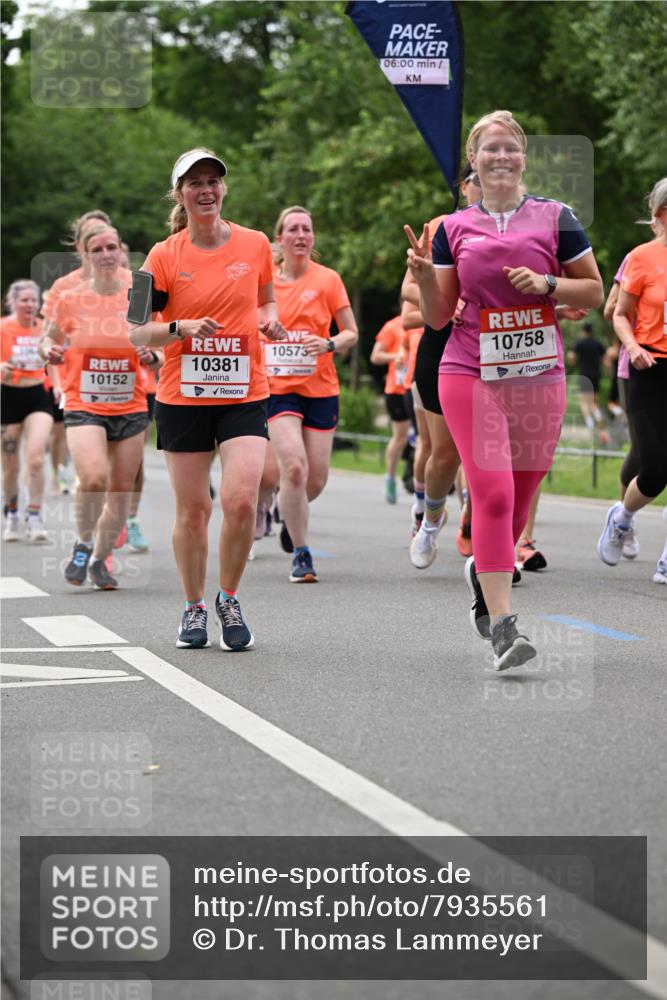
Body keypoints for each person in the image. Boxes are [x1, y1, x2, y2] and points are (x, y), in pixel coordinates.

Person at [406, 109, 603, 669]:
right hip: (469, 370)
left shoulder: (556, 217)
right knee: (491, 495)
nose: (500, 157)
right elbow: (440, 317)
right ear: (473, 159)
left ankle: (484, 568)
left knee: (519, 493)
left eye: (510, 148)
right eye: (489, 149)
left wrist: (547, 284)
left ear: (523, 158)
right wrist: (423, 275)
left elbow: (593, 292)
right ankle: (502, 626)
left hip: (539, 374)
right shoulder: (452, 228)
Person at [129, 148, 286, 648]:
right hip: (182, 396)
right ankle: (194, 606)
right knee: (194, 510)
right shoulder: (161, 254)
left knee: (241, 500)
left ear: (224, 189)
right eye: (194, 182)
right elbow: (135, 331)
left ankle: (229, 596)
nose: (205, 189)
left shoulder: (257, 243)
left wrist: (268, 318)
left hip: (244, 390)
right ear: (180, 194)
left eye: (213, 181)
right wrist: (179, 328)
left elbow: (266, 297)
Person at [40, 224, 155, 590]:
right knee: (93, 479)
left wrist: (154, 354)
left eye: (112, 247)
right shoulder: (71, 297)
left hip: (131, 404)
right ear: (87, 258)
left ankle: (99, 559)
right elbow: (48, 339)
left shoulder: (138, 293)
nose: (106, 254)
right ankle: (83, 543)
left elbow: (160, 340)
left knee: (121, 490)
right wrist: (49, 351)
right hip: (83, 402)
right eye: (97, 249)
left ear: (121, 250)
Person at [261, 205, 358, 582]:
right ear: (281, 238)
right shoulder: (264, 280)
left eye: (307, 229)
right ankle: (302, 553)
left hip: (320, 387)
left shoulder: (328, 279)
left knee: (314, 480)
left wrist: (330, 344)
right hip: (277, 389)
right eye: (293, 229)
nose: (301, 235)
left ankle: (287, 512)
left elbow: (351, 332)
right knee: (295, 468)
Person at [598, 177, 667, 583]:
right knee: (655, 465)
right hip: (647, 367)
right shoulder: (641, 258)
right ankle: (622, 518)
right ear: (661, 216)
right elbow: (618, 312)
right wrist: (633, 346)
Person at [41, 210, 113, 494]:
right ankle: (87, 503)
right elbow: (50, 339)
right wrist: (57, 383)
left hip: (126, 385)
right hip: (79, 386)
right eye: (93, 238)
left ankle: (123, 515)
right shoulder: (65, 287)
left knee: (124, 467)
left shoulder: (131, 282)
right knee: (94, 469)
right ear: (81, 245)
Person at [1, 280, 54, 542]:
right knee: (10, 466)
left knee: (35, 458)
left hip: (38, 396)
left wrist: (58, 385)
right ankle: (11, 514)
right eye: (25, 300)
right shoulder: (3, 328)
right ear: (13, 303)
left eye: (34, 300)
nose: (30, 305)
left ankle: (34, 515)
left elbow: (55, 355)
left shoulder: (45, 328)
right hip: (7, 397)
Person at [370, 313, 413, 504]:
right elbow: (375, 356)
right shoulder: (393, 326)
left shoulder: (430, 320)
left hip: (420, 387)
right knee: (400, 437)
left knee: (426, 439)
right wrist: (395, 356)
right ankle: (390, 477)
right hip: (397, 389)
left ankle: (420, 483)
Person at [567, 321, 607, 437]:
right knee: (594, 402)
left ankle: (590, 426)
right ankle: (599, 421)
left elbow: (571, 357)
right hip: (596, 374)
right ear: (591, 331)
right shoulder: (598, 343)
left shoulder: (580, 343)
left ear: (583, 331)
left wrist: (573, 362)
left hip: (585, 375)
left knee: (584, 402)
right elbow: (605, 360)